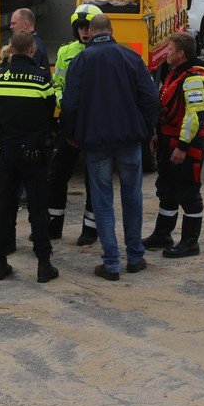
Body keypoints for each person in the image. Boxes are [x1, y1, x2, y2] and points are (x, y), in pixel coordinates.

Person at [61, 14, 159, 281]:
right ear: (112, 30)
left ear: (91, 32)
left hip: (96, 141)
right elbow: (150, 97)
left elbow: (70, 102)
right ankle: (135, 256)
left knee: (103, 200)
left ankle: (112, 263)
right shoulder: (130, 57)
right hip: (129, 138)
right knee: (132, 195)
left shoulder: (82, 60)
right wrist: (147, 131)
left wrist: (70, 134)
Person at [0, 30, 59, 283]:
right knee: (38, 208)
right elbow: (51, 111)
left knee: (4, 206)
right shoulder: (42, 79)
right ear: (31, 50)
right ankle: (43, 264)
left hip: (6, 151)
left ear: (11, 49)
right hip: (35, 152)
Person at [143, 33, 204, 258]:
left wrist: (182, 147)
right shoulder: (176, 72)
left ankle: (190, 243)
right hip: (169, 140)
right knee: (167, 190)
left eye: (170, 50)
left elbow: (195, 116)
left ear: (181, 54)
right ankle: (162, 234)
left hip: (187, 145)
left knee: (188, 192)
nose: (167, 54)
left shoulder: (194, 78)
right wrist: (160, 136)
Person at [46, 4, 100, 245]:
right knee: (57, 174)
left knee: (94, 178)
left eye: (88, 27)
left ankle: (90, 231)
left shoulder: (106, 52)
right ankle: (53, 225)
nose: (84, 32)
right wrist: (65, 105)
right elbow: (57, 85)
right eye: (80, 27)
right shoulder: (65, 52)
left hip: (95, 125)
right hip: (70, 123)